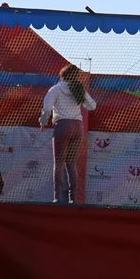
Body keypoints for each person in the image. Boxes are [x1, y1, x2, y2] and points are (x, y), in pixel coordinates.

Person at [40, 64, 97, 204]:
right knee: (71, 163)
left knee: (59, 163)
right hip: (78, 127)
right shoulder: (78, 88)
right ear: (75, 76)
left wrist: (43, 122)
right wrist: (81, 100)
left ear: (62, 75)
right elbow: (92, 106)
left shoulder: (55, 89)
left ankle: (57, 197)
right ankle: (73, 198)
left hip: (63, 126)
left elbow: (47, 108)